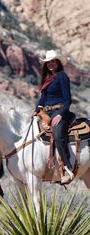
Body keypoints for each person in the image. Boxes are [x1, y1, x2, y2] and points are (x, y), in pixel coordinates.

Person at [33, 50, 74, 184]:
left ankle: (68, 167)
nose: (50, 64)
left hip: (60, 111)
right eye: (48, 62)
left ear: (57, 63)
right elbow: (43, 98)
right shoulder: (48, 79)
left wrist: (60, 115)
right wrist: (36, 110)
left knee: (57, 134)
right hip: (47, 112)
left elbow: (68, 100)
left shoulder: (62, 77)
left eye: (53, 61)